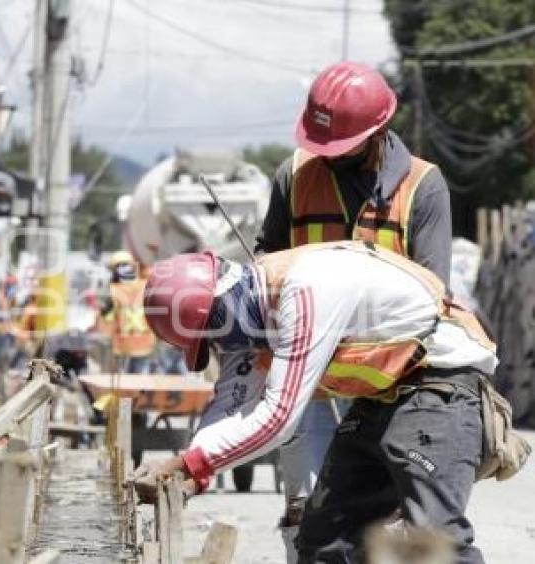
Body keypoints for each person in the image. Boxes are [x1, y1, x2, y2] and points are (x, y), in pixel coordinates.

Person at [134, 241, 499, 563]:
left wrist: (189, 464)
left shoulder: (303, 290)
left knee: (433, 539)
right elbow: (232, 400)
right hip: (386, 395)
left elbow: (279, 416)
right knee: (326, 535)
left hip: (440, 382)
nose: (221, 348)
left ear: (218, 311)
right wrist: (188, 473)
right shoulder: (245, 312)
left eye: (213, 339)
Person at [254, 61, 453, 561]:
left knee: (383, 526)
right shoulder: (293, 176)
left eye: (338, 147)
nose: (326, 158)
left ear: (378, 131)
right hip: (310, 386)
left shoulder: (423, 188)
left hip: (389, 391)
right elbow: (266, 266)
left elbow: (435, 298)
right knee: (308, 520)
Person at [97, 250, 156, 374]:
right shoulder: (145, 285)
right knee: (140, 385)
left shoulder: (113, 290)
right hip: (145, 345)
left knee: (125, 385)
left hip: (122, 347)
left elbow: (107, 322)